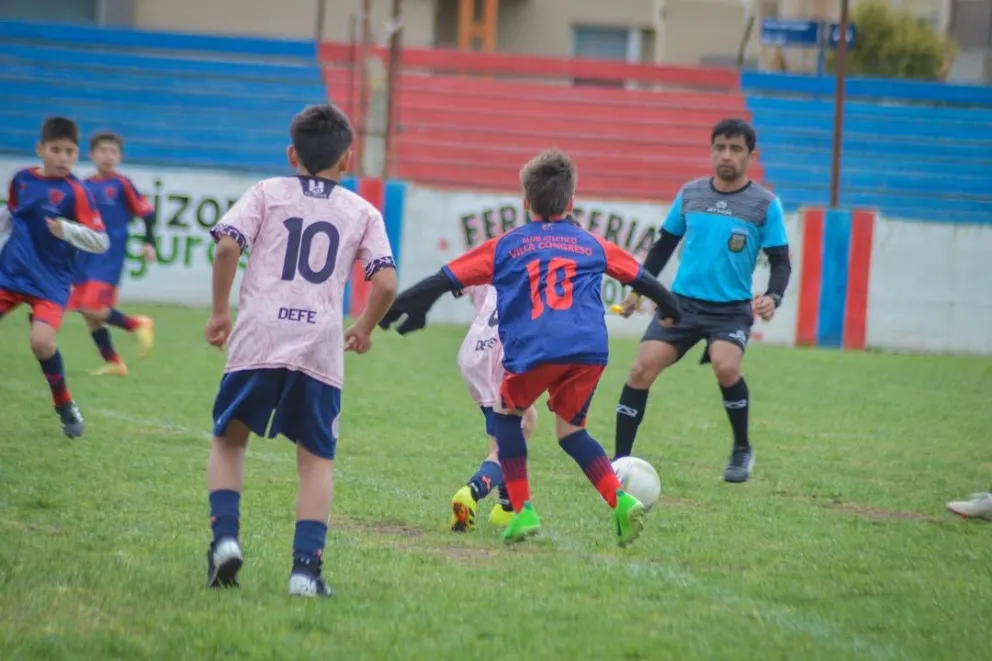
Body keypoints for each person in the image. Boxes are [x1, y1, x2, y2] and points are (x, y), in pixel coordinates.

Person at [380, 148, 682, 547]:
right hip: (589, 350)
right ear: (572, 201)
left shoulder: (508, 245)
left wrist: (409, 303)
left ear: (526, 202)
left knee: (508, 418)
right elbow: (643, 280)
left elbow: (446, 277)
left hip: (535, 348)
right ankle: (622, 503)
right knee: (573, 433)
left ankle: (522, 511)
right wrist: (674, 310)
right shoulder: (592, 244)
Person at [203, 104, 398, 598]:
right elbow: (387, 283)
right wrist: (365, 327)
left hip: (259, 337)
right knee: (316, 459)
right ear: (347, 160)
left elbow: (227, 246)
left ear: (292, 154)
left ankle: (225, 541)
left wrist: (220, 312)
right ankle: (305, 572)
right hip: (319, 345)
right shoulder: (362, 211)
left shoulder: (267, 192)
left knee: (230, 439)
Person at [613, 118, 791, 484]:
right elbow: (662, 247)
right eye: (720, 147)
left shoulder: (765, 205)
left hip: (730, 310)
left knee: (726, 367)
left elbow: (780, 261)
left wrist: (773, 296)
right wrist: (637, 291)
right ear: (711, 150)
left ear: (750, 155)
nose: (726, 156)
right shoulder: (691, 193)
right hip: (680, 305)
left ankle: (742, 449)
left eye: (736, 149)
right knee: (639, 370)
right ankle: (617, 463)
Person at [0, 117, 109, 438]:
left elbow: (101, 240)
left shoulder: (77, 192)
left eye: (70, 152)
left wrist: (68, 230)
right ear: (41, 149)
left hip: (51, 282)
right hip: (10, 274)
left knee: (41, 342)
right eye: (56, 150)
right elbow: (10, 216)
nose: (63, 157)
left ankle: (63, 404)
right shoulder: (21, 180)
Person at [450, 284, 538, 531]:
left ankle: (506, 508)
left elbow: (456, 284)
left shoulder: (490, 260)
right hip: (499, 356)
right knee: (507, 442)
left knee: (526, 421)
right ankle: (472, 492)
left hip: (473, 353)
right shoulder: (535, 267)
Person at [69, 132, 156, 375]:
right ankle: (114, 362)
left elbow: (147, 212)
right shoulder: (84, 185)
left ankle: (137, 324)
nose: (108, 156)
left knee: (92, 307)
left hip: (109, 255)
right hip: (85, 256)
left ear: (120, 156)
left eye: (113, 152)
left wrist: (150, 242)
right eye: (103, 151)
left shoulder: (121, 184)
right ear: (92, 154)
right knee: (86, 312)